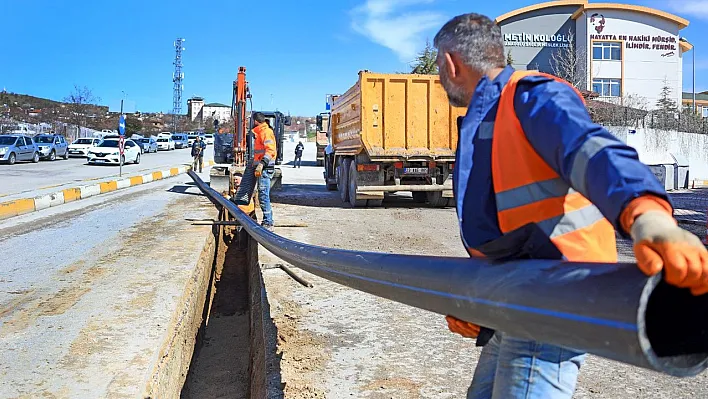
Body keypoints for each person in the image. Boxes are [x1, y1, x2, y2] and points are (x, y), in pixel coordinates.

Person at [433, 13, 708, 399]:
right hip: (516, 295)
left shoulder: (532, 96)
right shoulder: (489, 117)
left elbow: (593, 152)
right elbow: (504, 228)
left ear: (450, 63)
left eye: (438, 68)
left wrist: (648, 217)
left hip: (553, 298)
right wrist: (479, 299)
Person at [252, 112, 277, 231]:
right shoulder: (261, 132)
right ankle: (267, 220)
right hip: (263, 168)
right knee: (262, 195)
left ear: (256, 121)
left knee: (263, 195)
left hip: (265, 168)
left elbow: (270, 150)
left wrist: (261, 164)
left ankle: (268, 222)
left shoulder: (265, 132)